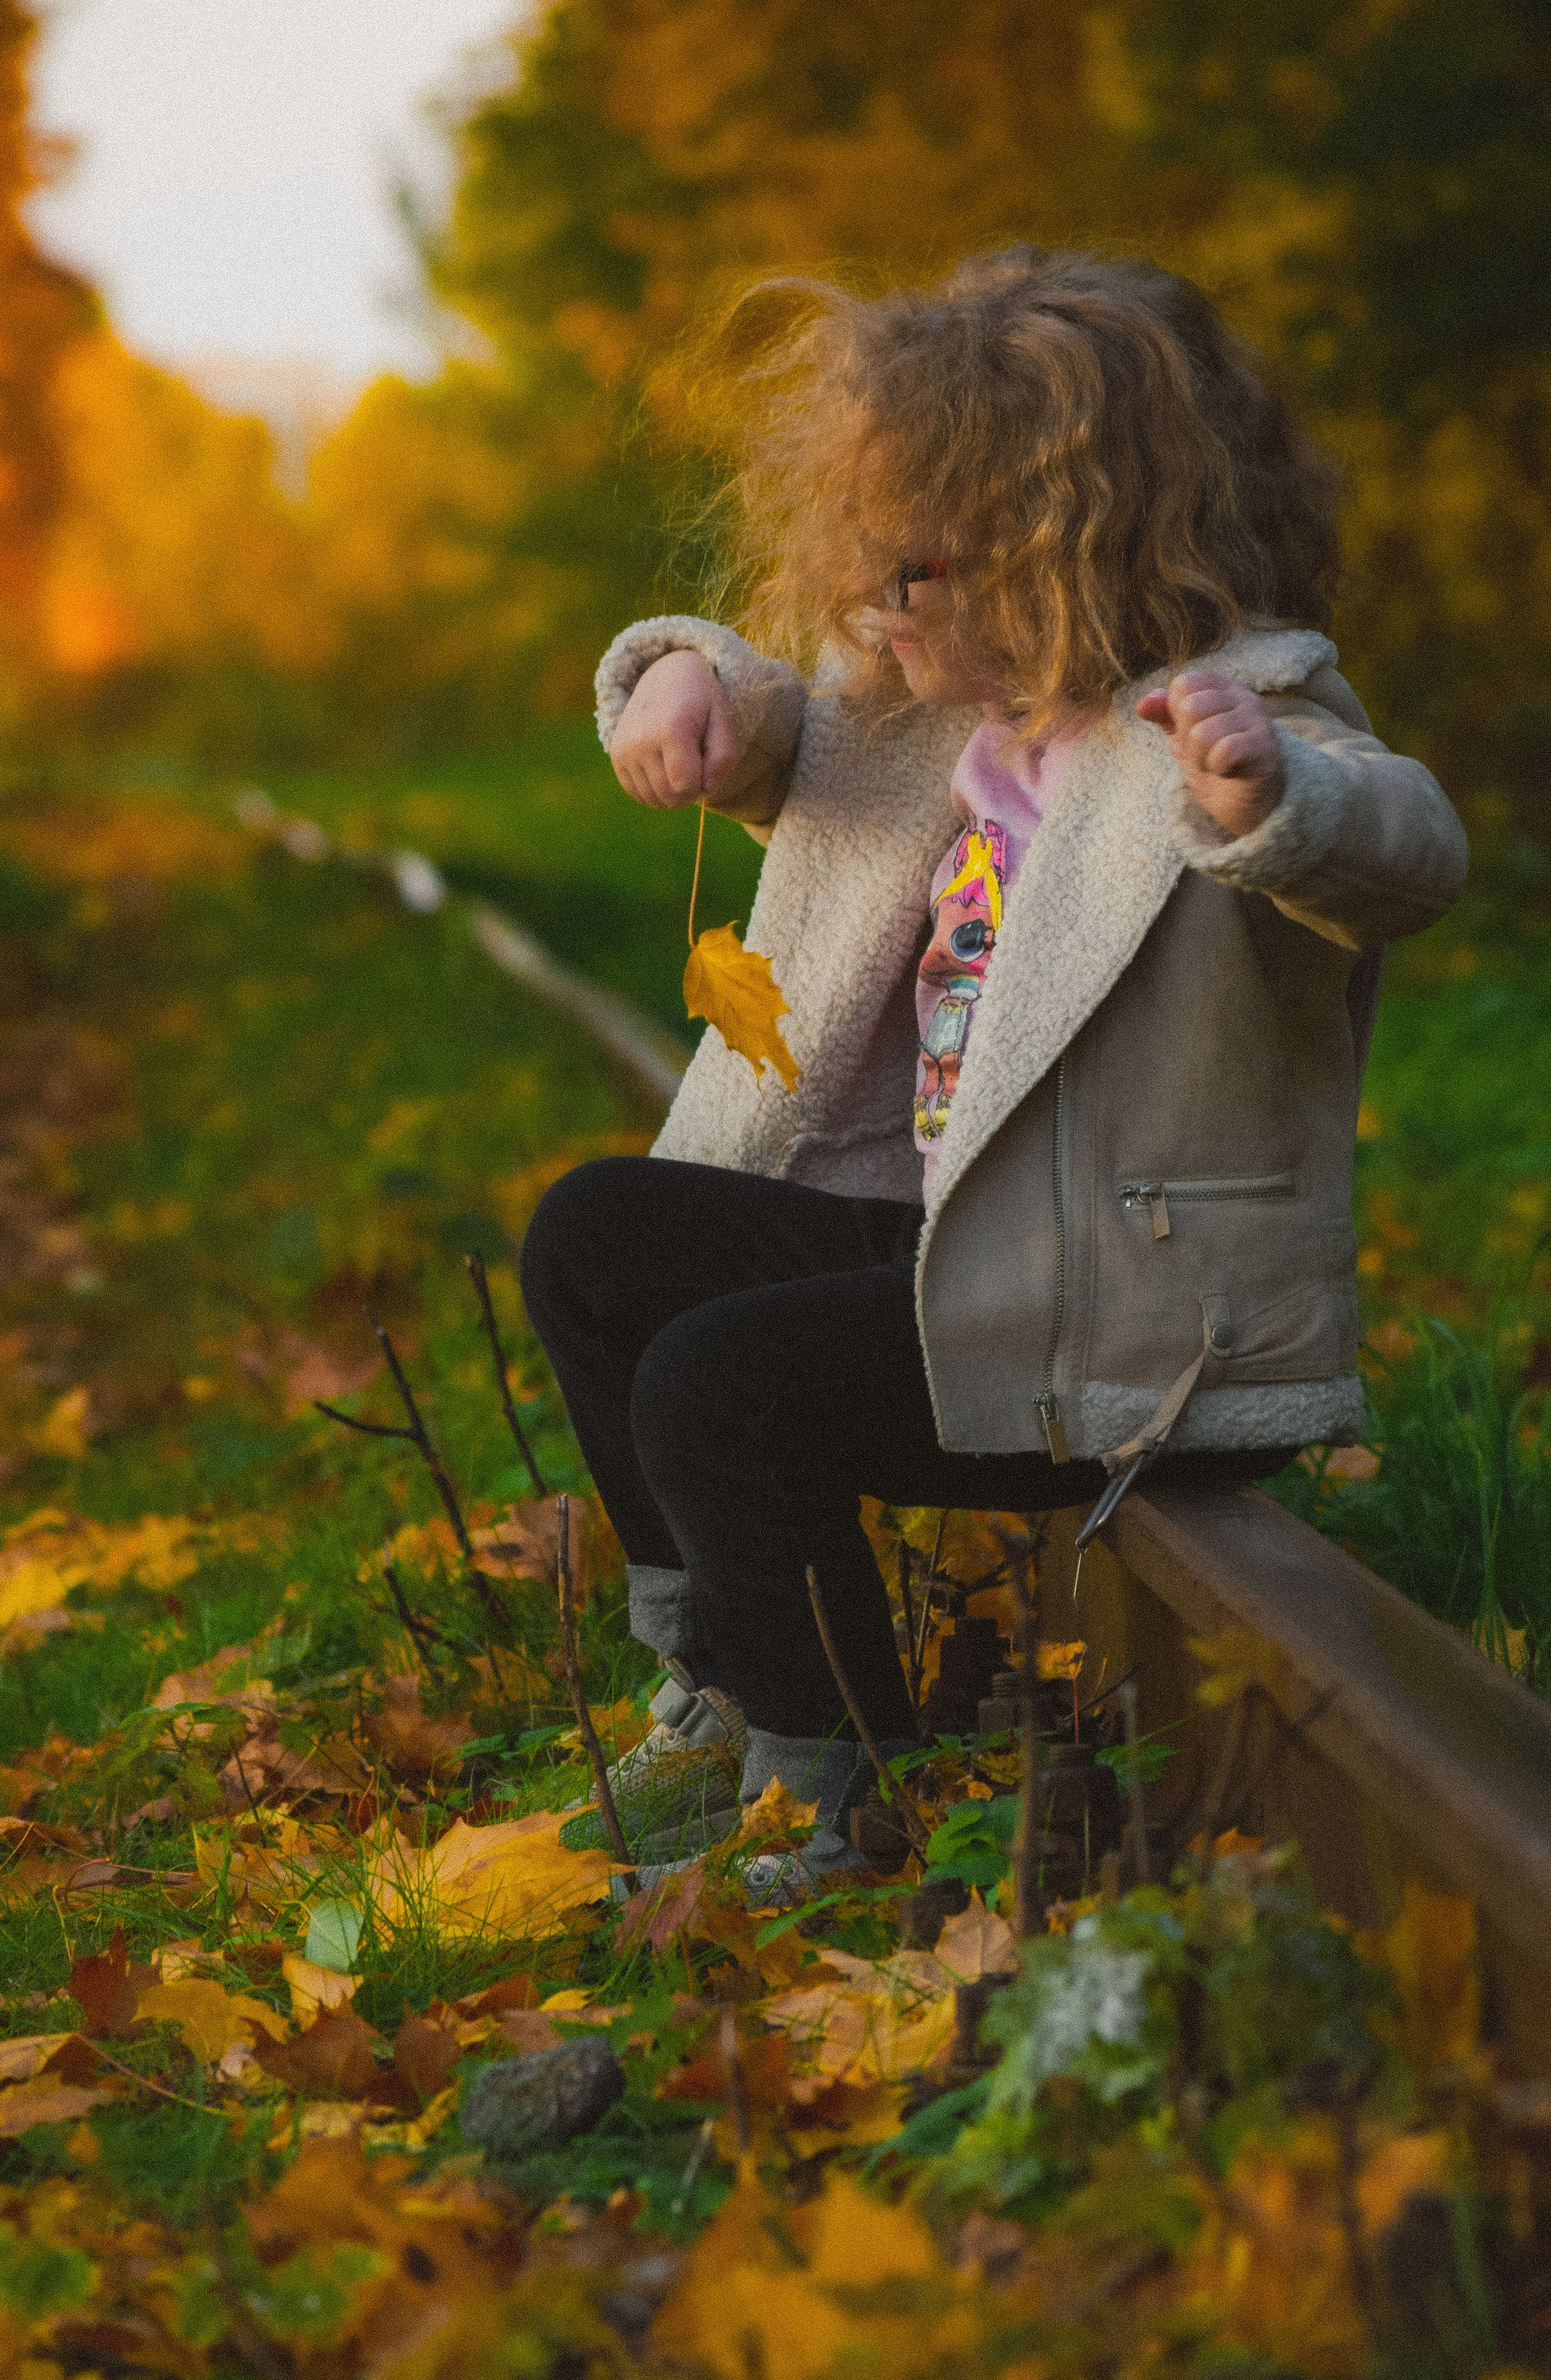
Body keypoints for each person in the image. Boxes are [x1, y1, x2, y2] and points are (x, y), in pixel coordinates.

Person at [519, 244, 1467, 1883]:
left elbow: (1402, 846)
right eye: (859, 571)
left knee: (721, 1387)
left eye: (912, 577)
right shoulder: (930, 712)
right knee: (600, 1240)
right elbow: (784, 727)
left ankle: (829, 1792)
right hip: (971, 1261)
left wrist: (1266, 808)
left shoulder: (1235, 714)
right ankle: (713, 1683)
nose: (869, 614)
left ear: (1067, 551)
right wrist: (688, 683)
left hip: (1128, 1319)